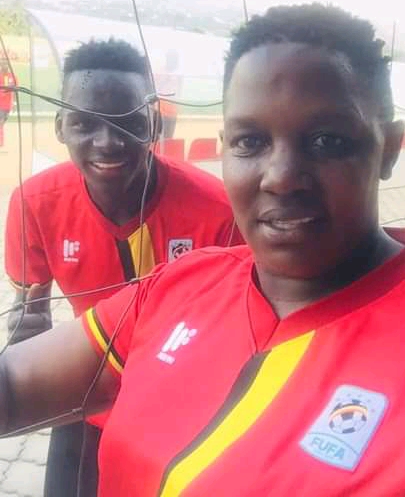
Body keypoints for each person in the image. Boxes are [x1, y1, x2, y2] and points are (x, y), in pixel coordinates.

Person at [1, 3, 405, 496]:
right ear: (226, 146)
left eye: (327, 141)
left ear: (389, 148)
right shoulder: (181, 283)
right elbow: (15, 380)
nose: (281, 177)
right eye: (250, 142)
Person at [3, 38, 240, 497]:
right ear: (59, 127)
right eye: (84, 123)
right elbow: (30, 311)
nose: (107, 142)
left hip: (183, 396)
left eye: (127, 122)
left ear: (154, 124)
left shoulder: (218, 209)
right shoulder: (33, 203)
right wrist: (25, 332)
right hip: (84, 391)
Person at [0, 58, 17, 148]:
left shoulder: (12, 76)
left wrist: (14, 103)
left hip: (7, 105)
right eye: (3, 64)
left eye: (6, 64)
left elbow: (15, 90)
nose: (5, 66)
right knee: (1, 122)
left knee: (2, 122)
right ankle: (1, 141)